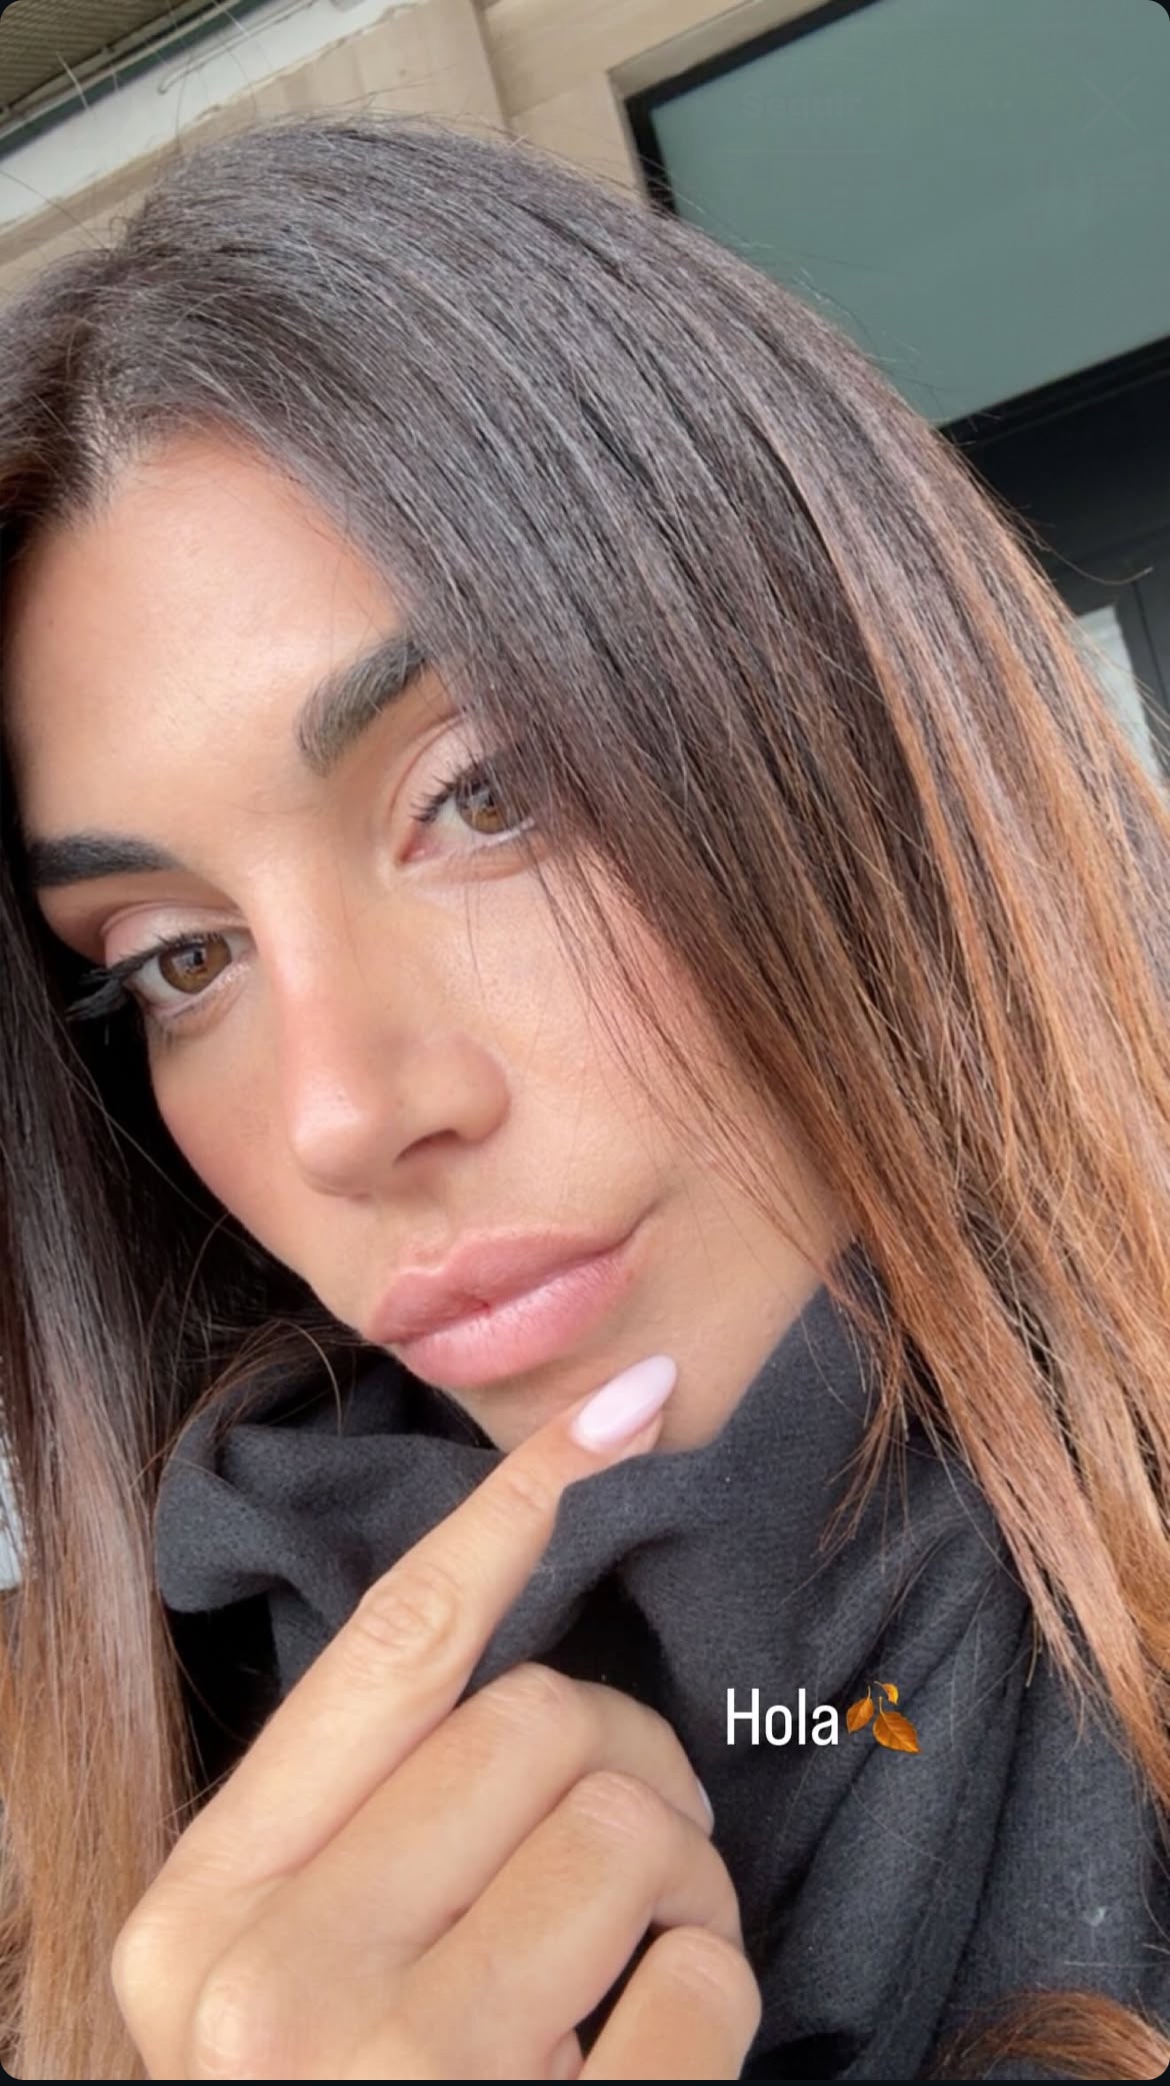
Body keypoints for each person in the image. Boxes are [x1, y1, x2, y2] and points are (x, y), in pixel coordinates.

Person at [0, 112, 1167, 2083]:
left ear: (849, 709)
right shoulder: (76, 1855)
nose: (340, 1116)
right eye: (179, 959)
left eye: (488, 790)